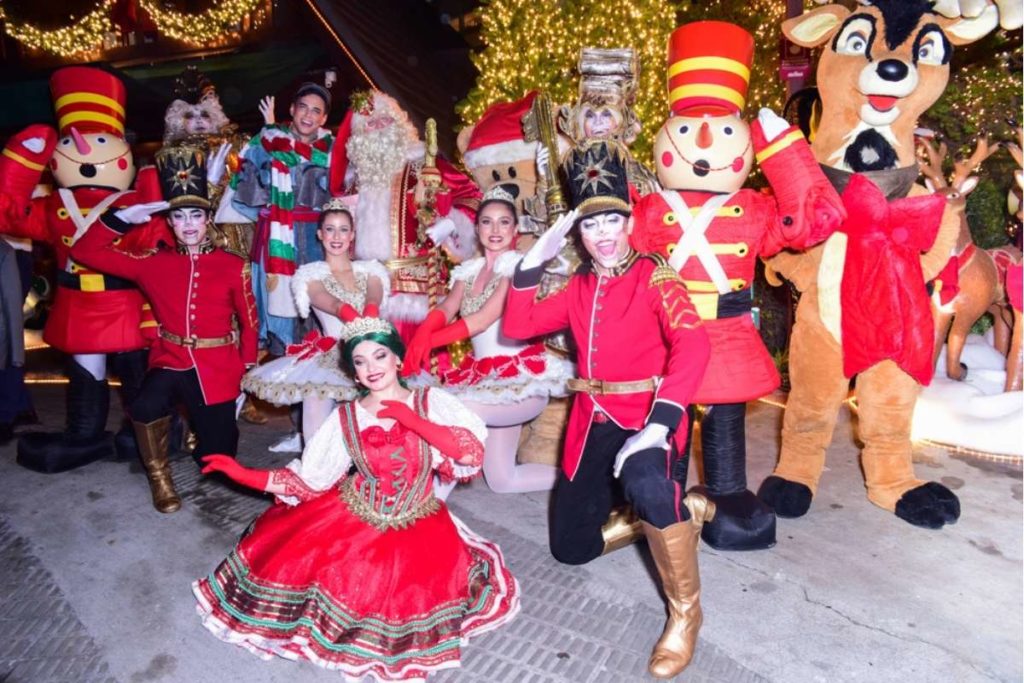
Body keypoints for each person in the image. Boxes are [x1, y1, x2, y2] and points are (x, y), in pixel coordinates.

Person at [194, 313, 519, 681]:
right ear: (353, 371)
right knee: (333, 578)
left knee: (416, 596)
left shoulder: (432, 402)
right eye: (360, 362)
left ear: (398, 358)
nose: (371, 368)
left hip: (420, 519)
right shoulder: (347, 416)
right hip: (356, 513)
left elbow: (468, 454)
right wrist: (242, 474)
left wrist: (413, 421)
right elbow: (309, 480)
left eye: (380, 356)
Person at [503, 141, 712, 679]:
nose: (604, 235)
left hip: (648, 414)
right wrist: (533, 261)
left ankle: (686, 614)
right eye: (591, 227)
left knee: (647, 482)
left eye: (613, 221)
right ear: (579, 235)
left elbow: (694, 344)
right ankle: (676, 514)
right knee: (570, 549)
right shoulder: (577, 286)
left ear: (628, 221)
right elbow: (517, 326)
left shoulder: (655, 275)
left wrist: (661, 424)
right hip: (592, 418)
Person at [71, 145, 258, 513]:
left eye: (196, 216)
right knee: (144, 405)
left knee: (218, 460)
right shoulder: (152, 263)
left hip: (217, 363)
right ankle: (159, 476)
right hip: (170, 357)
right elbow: (85, 252)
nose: (188, 224)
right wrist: (125, 217)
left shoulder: (232, 265)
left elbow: (249, 320)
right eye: (180, 217)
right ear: (169, 223)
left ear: (208, 220)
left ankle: (198, 433)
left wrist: (247, 369)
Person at [403, 186, 572, 493]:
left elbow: (482, 320)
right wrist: (422, 333)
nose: (495, 230)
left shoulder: (519, 268)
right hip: (484, 379)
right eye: (487, 222)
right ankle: (583, 480)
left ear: (516, 229)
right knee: (502, 481)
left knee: (456, 409)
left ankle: (426, 505)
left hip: (521, 383)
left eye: (504, 222)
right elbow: (447, 307)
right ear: (477, 228)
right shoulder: (469, 271)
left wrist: (428, 343)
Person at [329, 90, 480, 341]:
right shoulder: (353, 182)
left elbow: (473, 196)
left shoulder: (424, 164)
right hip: (364, 290)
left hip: (416, 291)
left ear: (398, 123)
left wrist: (451, 223)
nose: (378, 128)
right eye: (370, 124)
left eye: (384, 120)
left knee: (415, 365)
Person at [242, 197, 390, 444]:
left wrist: (370, 322)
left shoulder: (371, 270)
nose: (337, 236)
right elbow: (329, 301)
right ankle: (315, 475)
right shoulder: (310, 275)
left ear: (352, 235)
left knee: (373, 430)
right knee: (316, 432)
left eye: (343, 229)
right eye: (330, 229)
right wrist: (349, 314)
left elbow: (374, 297)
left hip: (371, 352)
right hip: (331, 355)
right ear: (320, 234)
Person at [227, 82, 335, 349]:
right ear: (292, 110)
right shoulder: (265, 143)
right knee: (279, 317)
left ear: (323, 118)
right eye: (303, 108)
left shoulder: (333, 152)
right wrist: (270, 135)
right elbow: (248, 194)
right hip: (277, 241)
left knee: (318, 315)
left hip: (318, 243)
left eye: (316, 111)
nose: (308, 116)